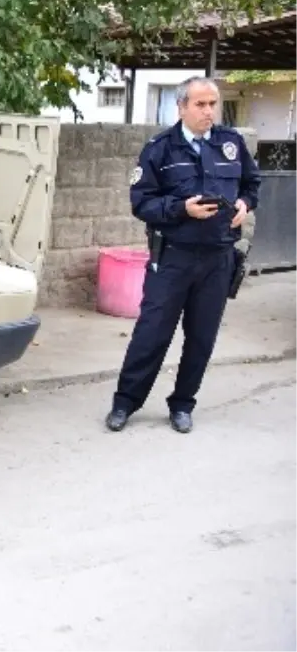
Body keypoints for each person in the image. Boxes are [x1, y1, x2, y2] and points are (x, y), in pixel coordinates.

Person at [105, 76, 261, 434]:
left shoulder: (231, 144)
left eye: (213, 104)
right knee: (151, 334)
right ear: (182, 107)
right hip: (173, 258)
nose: (209, 112)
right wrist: (181, 209)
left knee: (201, 337)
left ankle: (182, 404)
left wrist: (243, 203)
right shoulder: (160, 148)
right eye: (200, 105)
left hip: (218, 260)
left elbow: (252, 184)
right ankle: (125, 402)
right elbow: (141, 202)